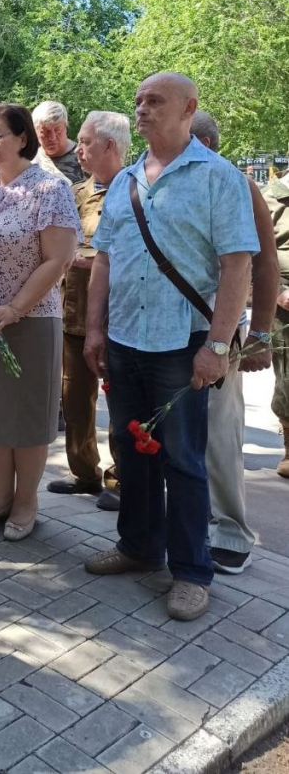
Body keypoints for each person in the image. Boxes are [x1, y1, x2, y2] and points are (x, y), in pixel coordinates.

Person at [83, 73, 259, 622]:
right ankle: (138, 546)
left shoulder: (218, 177)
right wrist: (94, 331)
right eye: (137, 101)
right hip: (125, 337)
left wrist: (218, 345)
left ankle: (190, 572)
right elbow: (105, 261)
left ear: (189, 108)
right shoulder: (126, 180)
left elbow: (237, 267)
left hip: (182, 345)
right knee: (130, 451)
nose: (141, 110)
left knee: (183, 460)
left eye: (154, 101)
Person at [0, 103, 79, 541]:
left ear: (22, 137)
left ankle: (26, 502)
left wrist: (15, 308)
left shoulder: (50, 189)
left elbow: (58, 259)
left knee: (26, 417)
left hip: (29, 320)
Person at [189, 110, 278, 573]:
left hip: (217, 329)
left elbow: (262, 263)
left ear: (203, 142)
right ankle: (190, 517)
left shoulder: (236, 184)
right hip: (163, 331)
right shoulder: (154, 179)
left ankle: (229, 530)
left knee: (220, 432)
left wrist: (260, 334)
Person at [47, 111, 129, 511]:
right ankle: (85, 472)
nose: (77, 150)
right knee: (75, 399)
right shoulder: (75, 193)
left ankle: (121, 479)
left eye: (85, 142)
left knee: (121, 403)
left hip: (121, 320)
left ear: (110, 145)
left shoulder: (137, 192)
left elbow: (134, 253)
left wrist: (86, 257)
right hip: (74, 313)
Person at [260, 161, 289, 479]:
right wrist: (280, 291)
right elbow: (257, 254)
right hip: (285, 305)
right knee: (288, 379)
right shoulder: (269, 198)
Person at [32, 100, 86, 185]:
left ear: (65, 126)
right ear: (35, 131)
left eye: (57, 130)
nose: (52, 137)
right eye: (45, 132)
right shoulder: (31, 161)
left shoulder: (84, 157)